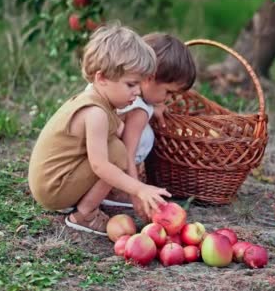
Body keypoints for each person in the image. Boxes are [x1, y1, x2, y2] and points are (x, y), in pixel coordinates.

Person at [28, 23, 171, 235]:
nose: (137, 92)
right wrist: (138, 188)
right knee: (116, 152)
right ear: (101, 78)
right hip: (53, 190)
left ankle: (90, 198)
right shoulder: (95, 114)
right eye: (131, 85)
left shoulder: (102, 102)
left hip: (54, 181)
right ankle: (84, 215)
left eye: (139, 85)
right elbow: (101, 166)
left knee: (116, 147)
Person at [99, 33, 197, 214]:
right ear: (149, 78)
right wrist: (136, 191)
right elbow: (128, 152)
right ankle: (115, 191)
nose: (167, 99)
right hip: (107, 164)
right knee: (145, 136)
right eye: (168, 92)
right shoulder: (138, 110)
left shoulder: (121, 90)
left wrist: (154, 105)